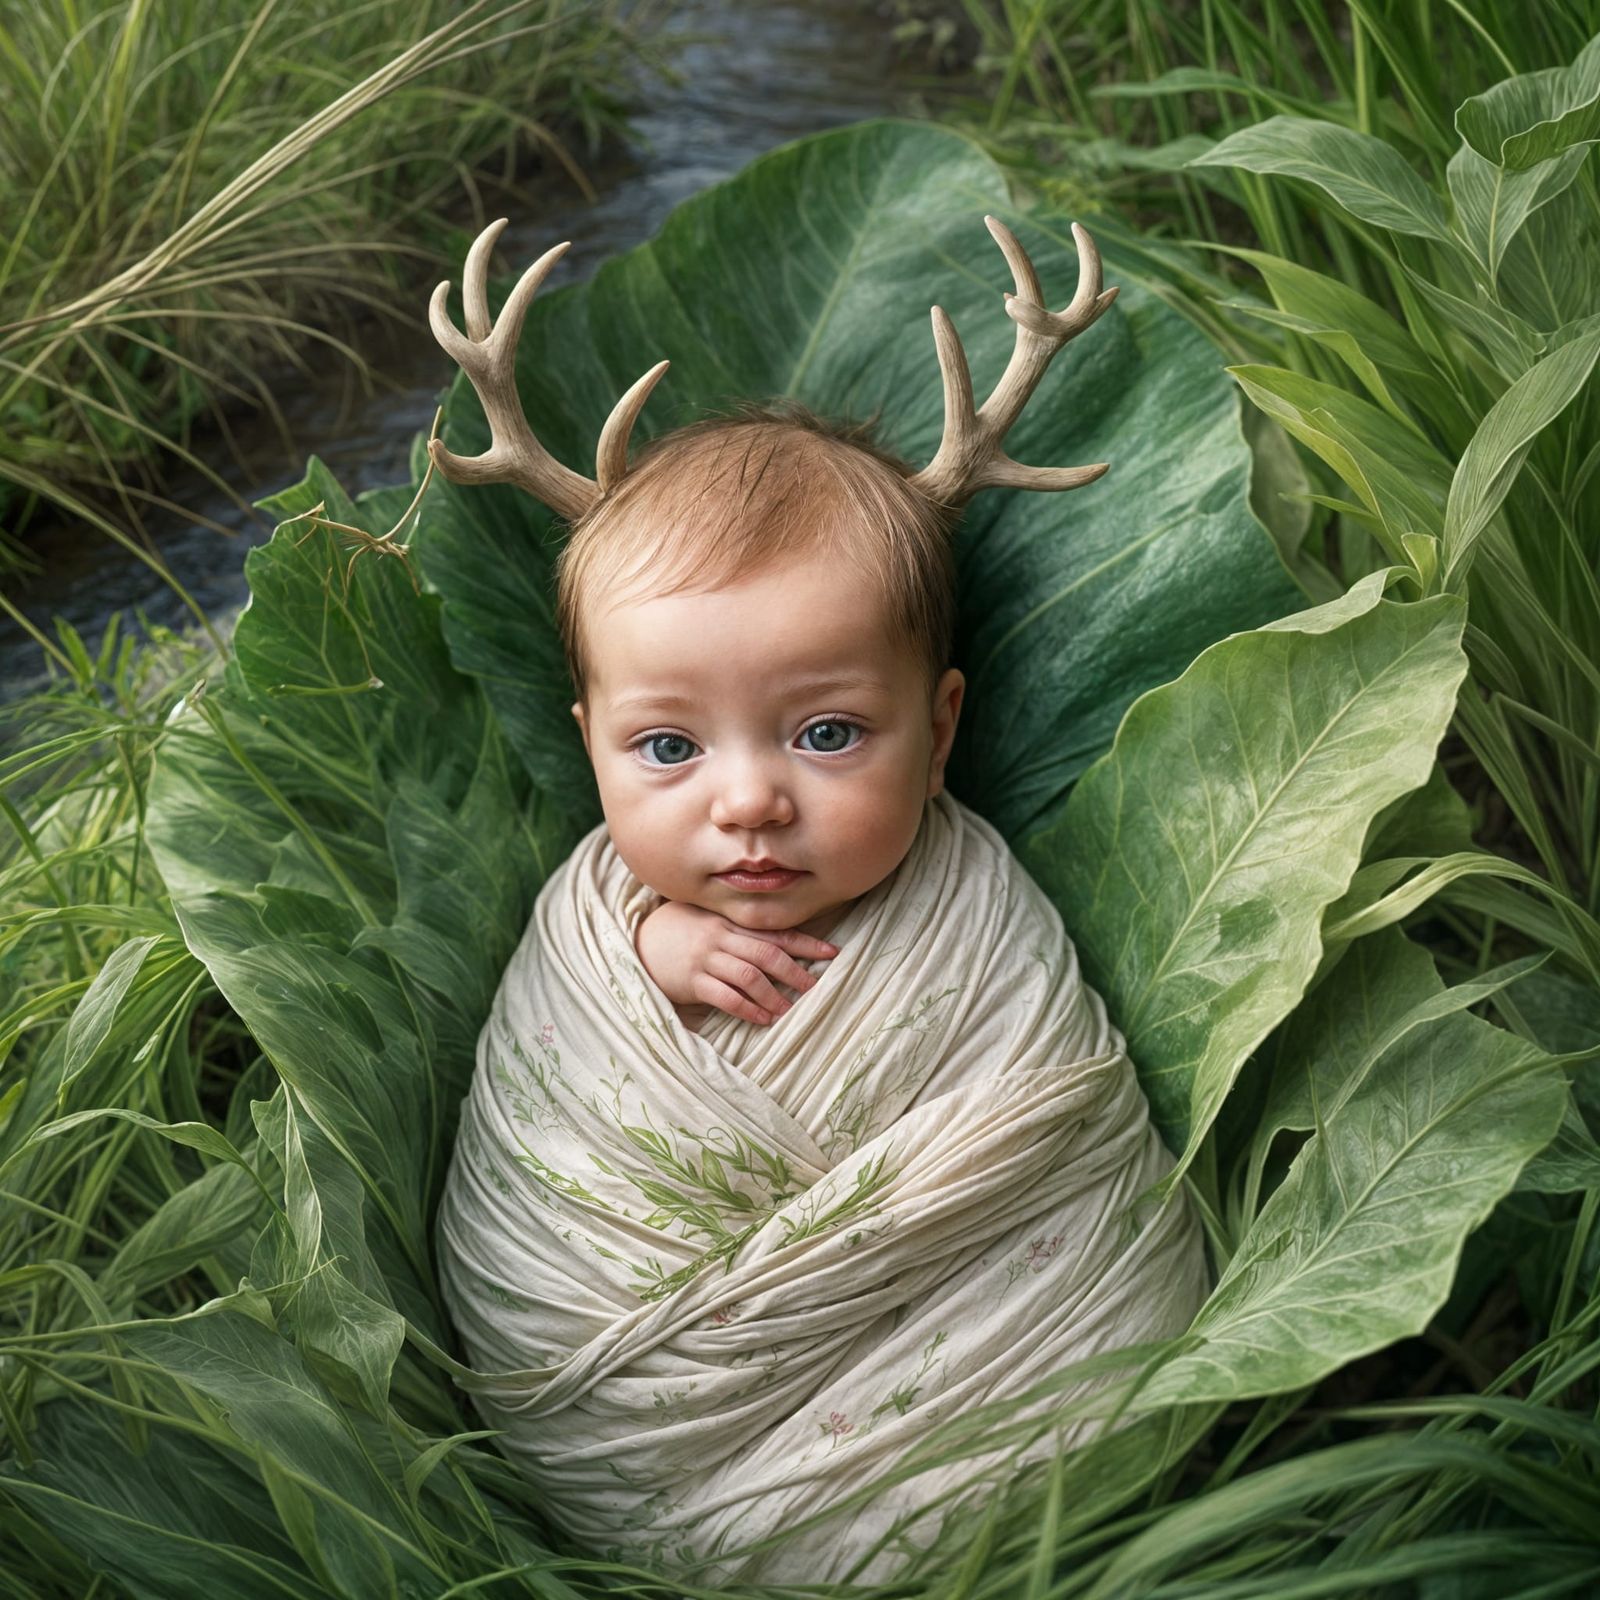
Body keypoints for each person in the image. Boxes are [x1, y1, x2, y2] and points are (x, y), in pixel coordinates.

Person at [428, 216, 1208, 1584]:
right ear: (589, 739)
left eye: (829, 734)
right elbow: (550, 1072)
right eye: (667, 749)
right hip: (625, 1404)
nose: (747, 804)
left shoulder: (974, 914)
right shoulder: (596, 922)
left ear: (943, 724)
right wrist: (640, 950)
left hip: (1000, 1382)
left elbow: (1052, 1120)